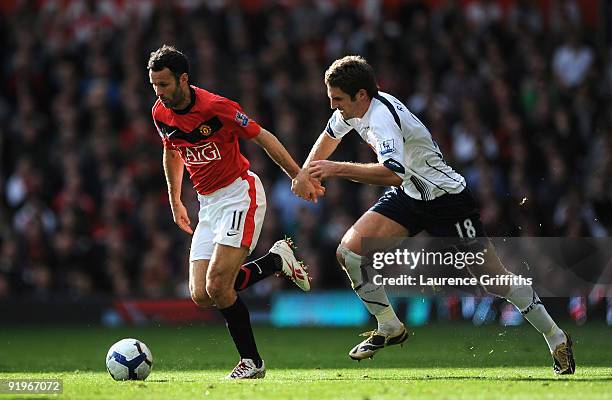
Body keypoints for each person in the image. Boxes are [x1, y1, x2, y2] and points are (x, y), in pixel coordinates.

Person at [292, 55, 575, 375]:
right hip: (410, 197)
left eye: (338, 100)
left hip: (447, 200)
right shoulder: (353, 110)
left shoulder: (382, 117)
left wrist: (334, 169)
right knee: (349, 254)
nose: (334, 107)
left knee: (493, 280)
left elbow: (392, 172)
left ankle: (556, 338)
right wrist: (306, 173)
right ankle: (389, 327)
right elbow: (330, 135)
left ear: (360, 95)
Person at [148, 45, 323, 379]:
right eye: (154, 85)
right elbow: (171, 152)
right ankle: (275, 261)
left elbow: (264, 137)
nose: (159, 93)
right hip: (207, 205)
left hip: (240, 195)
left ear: (184, 79)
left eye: (165, 85)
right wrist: (176, 200)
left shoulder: (217, 108)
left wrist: (297, 175)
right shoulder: (160, 112)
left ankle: (252, 362)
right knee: (202, 294)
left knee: (218, 285)